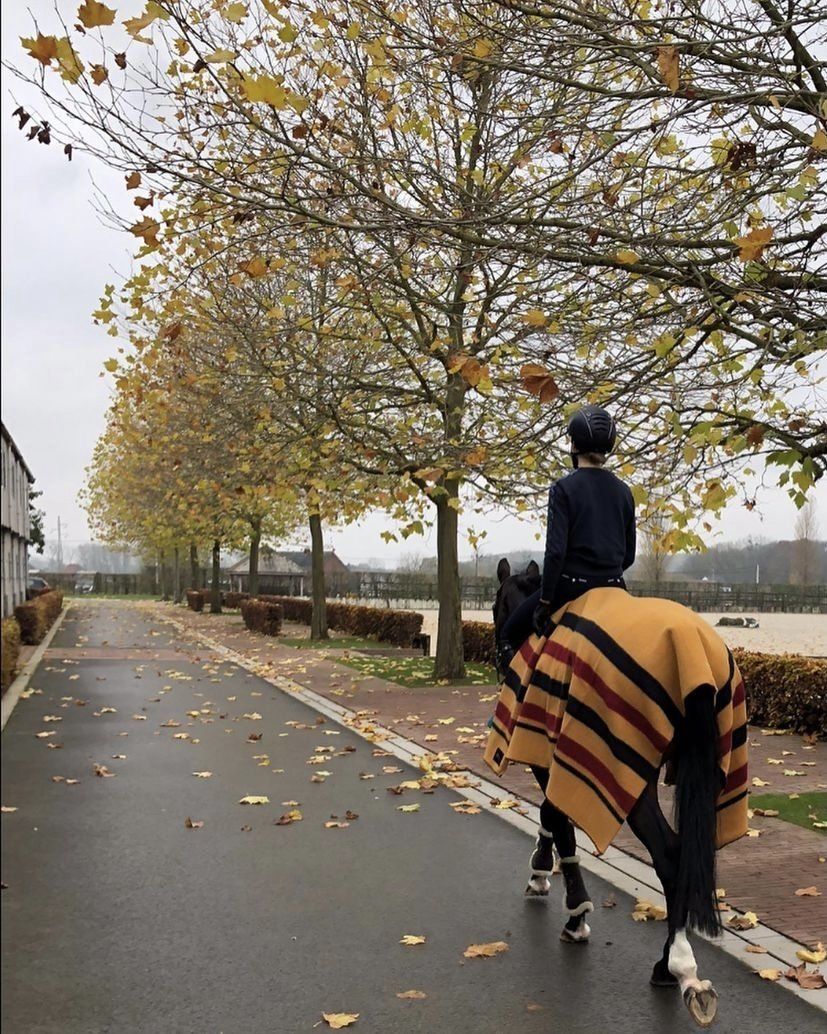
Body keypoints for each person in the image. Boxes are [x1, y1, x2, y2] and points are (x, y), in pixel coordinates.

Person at [499, 404, 636, 661]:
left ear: (574, 445)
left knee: (508, 633)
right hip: (616, 586)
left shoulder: (563, 489)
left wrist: (545, 602)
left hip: (571, 588)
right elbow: (628, 556)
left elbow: (555, 553)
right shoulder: (624, 491)